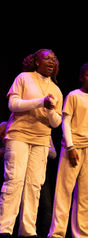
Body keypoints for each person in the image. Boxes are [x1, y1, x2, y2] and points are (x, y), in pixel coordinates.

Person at [0, 49, 63, 238]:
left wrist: (50, 110)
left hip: (41, 140)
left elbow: (56, 122)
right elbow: (13, 104)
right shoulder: (23, 78)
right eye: (47, 58)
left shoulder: (56, 89)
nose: (51, 62)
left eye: (54, 59)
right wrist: (40, 102)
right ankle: (5, 228)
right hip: (19, 135)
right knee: (14, 181)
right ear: (36, 62)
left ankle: (27, 230)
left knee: (34, 185)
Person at [48, 63, 88, 238]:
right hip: (73, 147)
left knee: (87, 194)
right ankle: (57, 233)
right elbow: (66, 123)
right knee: (64, 191)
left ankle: (83, 233)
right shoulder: (73, 96)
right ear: (81, 77)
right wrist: (70, 147)